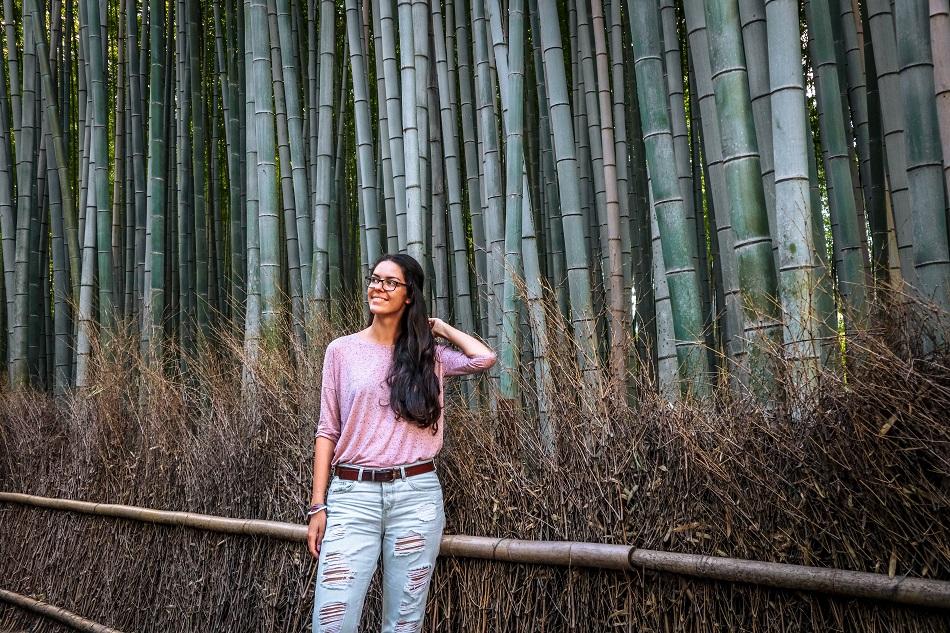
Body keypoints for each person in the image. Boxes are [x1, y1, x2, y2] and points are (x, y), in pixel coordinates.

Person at [306, 253, 496, 633]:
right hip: (352, 495)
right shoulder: (341, 351)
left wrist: (439, 328)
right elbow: (327, 430)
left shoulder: (430, 357)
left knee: (405, 623)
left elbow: (484, 358)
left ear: (410, 295)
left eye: (390, 282)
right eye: (374, 279)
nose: (378, 287)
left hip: (416, 496)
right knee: (332, 619)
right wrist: (317, 505)